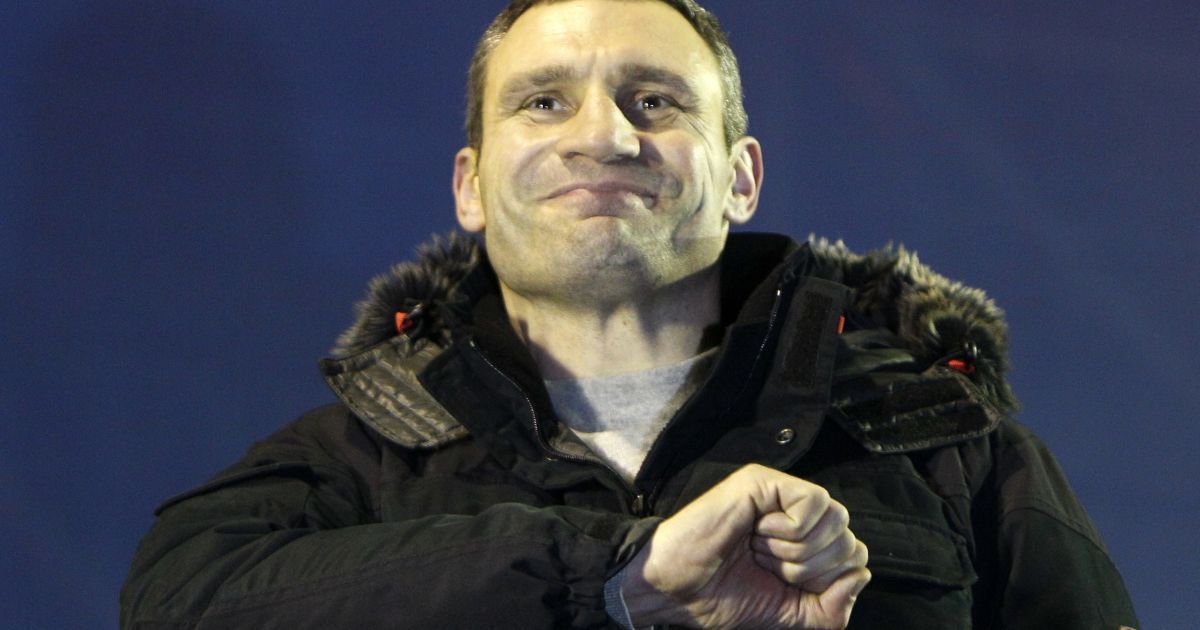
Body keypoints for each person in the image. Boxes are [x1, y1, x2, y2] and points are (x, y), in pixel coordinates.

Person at [120, 0, 1139, 628]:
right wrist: (619, 576)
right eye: (544, 102)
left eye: (654, 101)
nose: (603, 137)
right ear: (469, 186)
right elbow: (174, 606)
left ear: (741, 177)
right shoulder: (351, 463)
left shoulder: (951, 447)